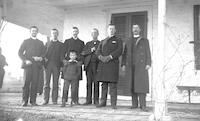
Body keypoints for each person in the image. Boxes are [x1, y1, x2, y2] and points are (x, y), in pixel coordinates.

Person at [122, 24, 151, 111]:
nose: (135, 29)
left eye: (137, 28)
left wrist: (148, 63)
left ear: (140, 29)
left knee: (141, 86)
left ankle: (143, 105)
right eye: (134, 28)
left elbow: (148, 52)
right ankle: (134, 104)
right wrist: (123, 64)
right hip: (130, 66)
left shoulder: (144, 40)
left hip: (141, 66)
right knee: (132, 85)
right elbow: (124, 53)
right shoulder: (128, 40)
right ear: (132, 30)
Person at [96, 24, 123, 109]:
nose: (111, 30)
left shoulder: (118, 40)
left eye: (112, 29)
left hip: (112, 65)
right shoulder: (103, 40)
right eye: (109, 29)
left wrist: (109, 57)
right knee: (104, 85)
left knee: (113, 85)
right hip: (103, 65)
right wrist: (101, 57)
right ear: (107, 30)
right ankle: (103, 102)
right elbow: (98, 51)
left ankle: (113, 104)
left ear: (115, 30)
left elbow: (119, 50)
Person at [18, 26, 45, 106]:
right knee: (26, 83)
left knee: (35, 83)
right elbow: (20, 53)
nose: (34, 32)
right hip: (28, 65)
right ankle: (24, 101)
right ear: (30, 32)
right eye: (33, 31)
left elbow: (44, 53)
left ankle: (33, 101)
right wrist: (25, 60)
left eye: (36, 31)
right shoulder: (25, 41)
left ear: (37, 32)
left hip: (36, 66)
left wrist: (40, 58)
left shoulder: (40, 42)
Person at [61, 27, 85, 104]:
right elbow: (62, 53)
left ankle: (75, 100)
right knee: (66, 86)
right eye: (73, 31)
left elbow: (83, 54)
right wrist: (65, 62)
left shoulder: (81, 42)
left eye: (76, 31)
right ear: (72, 32)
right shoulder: (67, 41)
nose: (75, 33)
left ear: (78, 32)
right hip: (68, 66)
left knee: (75, 85)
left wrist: (79, 62)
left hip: (76, 65)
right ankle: (64, 100)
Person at [42, 29, 63, 105]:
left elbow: (62, 56)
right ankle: (45, 100)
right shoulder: (47, 43)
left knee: (55, 83)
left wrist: (61, 66)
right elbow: (43, 54)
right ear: (51, 34)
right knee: (46, 83)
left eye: (56, 33)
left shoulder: (61, 44)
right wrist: (44, 63)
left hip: (57, 65)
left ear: (58, 34)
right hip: (48, 65)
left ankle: (54, 100)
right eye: (53, 33)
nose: (54, 34)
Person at [82, 28, 100, 105]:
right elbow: (83, 53)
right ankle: (88, 100)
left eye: (95, 33)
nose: (94, 34)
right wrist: (90, 50)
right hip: (89, 65)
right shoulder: (88, 44)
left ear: (98, 34)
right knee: (89, 83)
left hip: (97, 65)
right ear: (91, 34)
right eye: (92, 33)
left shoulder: (100, 43)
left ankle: (96, 100)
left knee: (96, 83)